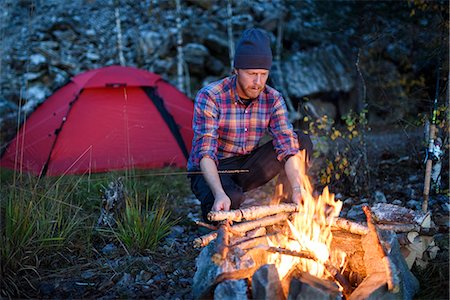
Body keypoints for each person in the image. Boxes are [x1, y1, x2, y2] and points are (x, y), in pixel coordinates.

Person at [187, 28, 313, 222]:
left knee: (300, 141)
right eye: (252, 73)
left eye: (263, 74)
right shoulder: (211, 96)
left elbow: (287, 145)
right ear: (236, 70)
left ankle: (290, 210)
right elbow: (205, 152)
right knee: (229, 201)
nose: (258, 82)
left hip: (247, 165)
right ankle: (216, 205)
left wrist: (298, 187)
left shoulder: (273, 98)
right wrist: (220, 193)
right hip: (212, 167)